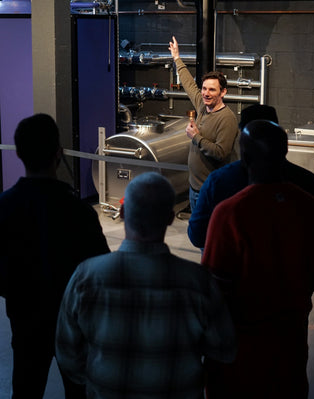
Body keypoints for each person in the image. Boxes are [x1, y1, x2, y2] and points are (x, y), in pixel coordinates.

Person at [55, 172, 236, 399]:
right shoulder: (199, 282)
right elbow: (225, 350)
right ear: (170, 218)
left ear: (122, 213)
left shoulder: (87, 277)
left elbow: (67, 354)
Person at [202, 120, 314, 399]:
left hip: (240, 351)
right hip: (290, 343)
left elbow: (211, 289)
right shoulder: (309, 206)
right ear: (285, 152)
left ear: (244, 157)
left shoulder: (230, 213)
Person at [0, 113, 110, 399]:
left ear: (20, 154)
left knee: (25, 388)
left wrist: (16, 292)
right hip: (74, 322)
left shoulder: (5, 208)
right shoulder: (80, 213)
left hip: (24, 320)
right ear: (59, 155)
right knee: (79, 390)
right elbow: (102, 271)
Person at [188, 104, 314, 249]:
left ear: (242, 145)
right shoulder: (309, 184)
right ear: (284, 146)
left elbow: (197, 236)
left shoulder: (219, 182)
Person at [168, 36, 238, 211]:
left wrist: (196, 137)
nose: (206, 93)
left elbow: (221, 152)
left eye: (212, 90)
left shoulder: (227, 118)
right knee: (199, 233)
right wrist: (177, 58)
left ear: (223, 92)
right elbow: (189, 84)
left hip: (212, 190)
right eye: (204, 88)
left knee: (208, 235)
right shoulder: (202, 105)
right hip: (195, 188)